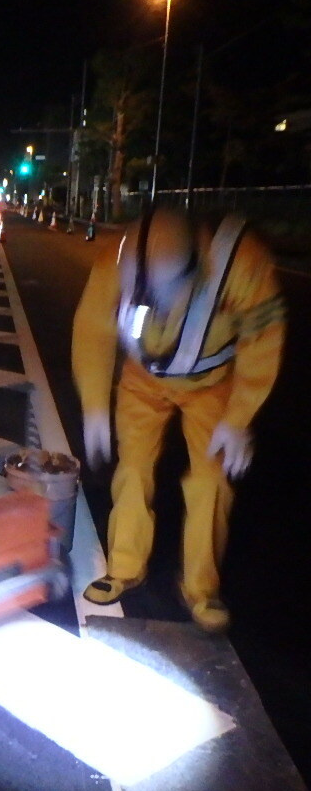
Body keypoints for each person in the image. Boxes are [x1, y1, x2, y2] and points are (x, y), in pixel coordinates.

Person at [72, 206, 285, 631]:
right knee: (132, 467)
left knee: (210, 480)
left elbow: (263, 340)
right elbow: (93, 328)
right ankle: (125, 566)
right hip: (143, 378)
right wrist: (95, 406)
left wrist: (239, 418)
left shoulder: (244, 263)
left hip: (212, 381)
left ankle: (201, 589)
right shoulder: (116, 257)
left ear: (195, 269)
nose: (156, 305)